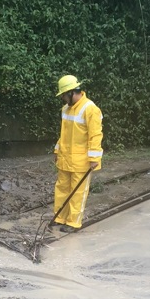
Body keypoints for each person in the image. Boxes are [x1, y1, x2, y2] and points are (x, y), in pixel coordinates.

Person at [52, 75, 103, 232]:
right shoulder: (65, 109)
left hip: (81, 161)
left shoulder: (90, 109)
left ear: (72, 92)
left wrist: (94, 158)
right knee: (62, 189)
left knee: (78, 192)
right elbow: (64, 134)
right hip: (65, 159)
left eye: (64, 95)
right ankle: (60, 217)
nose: (62, 98)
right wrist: (57, 150)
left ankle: (73, 222)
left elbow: (95, 135)